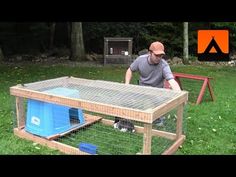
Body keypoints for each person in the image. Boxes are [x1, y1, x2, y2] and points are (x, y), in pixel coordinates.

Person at [125, 41, 181, 126]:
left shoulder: (164, 65)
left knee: (150, 115)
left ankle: (156, 116)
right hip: (142, 90)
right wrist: (127, 84)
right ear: (150, 53)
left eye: (161, 56)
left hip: (157, 93)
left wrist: (180, 94)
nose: (159, 58)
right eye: (156, 55)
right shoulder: (140, 60)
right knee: (129, 102)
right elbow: (130, 70)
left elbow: (171, 80)